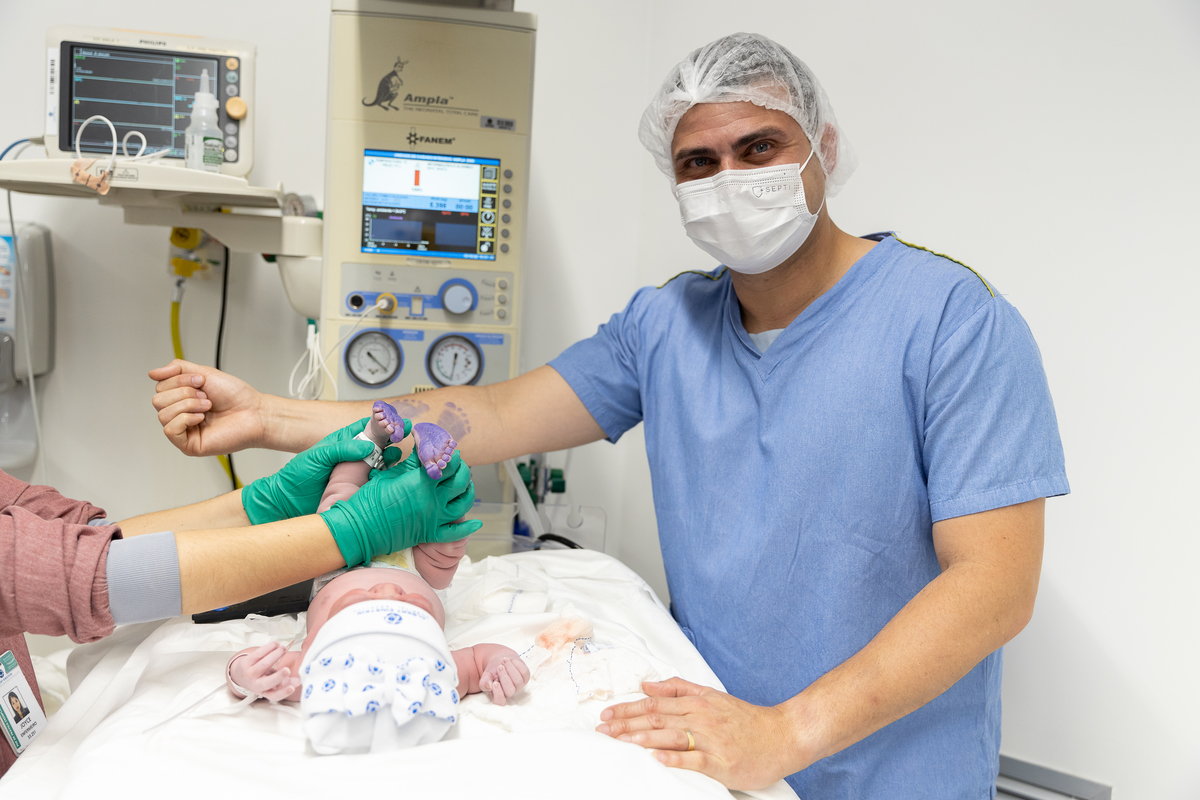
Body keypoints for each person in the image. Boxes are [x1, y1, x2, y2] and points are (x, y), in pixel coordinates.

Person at [149, 32, 1068, 798]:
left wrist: (787, 732)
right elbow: (483, 414)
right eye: (698, 162)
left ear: (823, 148)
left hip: (884, 771)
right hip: (711, 754)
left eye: (759, 148)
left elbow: (995, 585)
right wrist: (268, 417)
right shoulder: (665, 326)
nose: (728, 177)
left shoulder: (953, 322)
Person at [0, 416, 480, 778]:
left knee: (344, 496)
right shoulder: (418, 669)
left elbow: (81, 535)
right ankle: (422, 462)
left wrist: (264, 504)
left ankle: (374, 446)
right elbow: (75, 573)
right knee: (434, 540)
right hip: (396, 575)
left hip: (342, 577)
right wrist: (348, 531)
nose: (386, 591)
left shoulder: (333, 667)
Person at [224, 563, 529, 754]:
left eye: (365, 597)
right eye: (408, 602)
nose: (388, 589)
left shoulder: (313, 670)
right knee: (434, 533)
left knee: (340, 501)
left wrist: (244, 674)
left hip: (336, 564)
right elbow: (478, 657)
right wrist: (501, 659)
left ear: (318, 638)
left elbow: (249, 666)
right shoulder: (436, 670)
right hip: (417, 568)